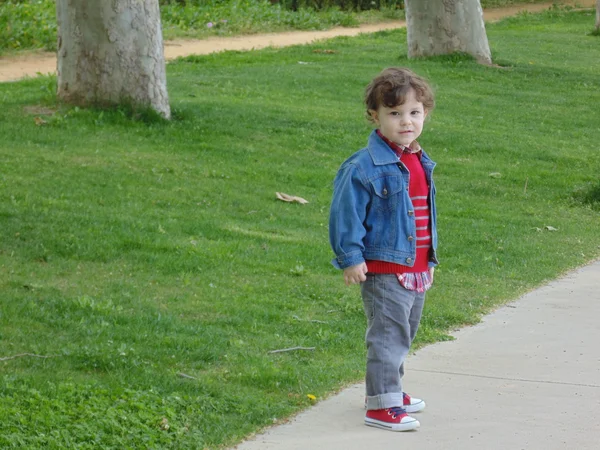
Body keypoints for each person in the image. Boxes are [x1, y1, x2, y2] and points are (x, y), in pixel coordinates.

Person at [329, 67, 438, 432]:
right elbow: (345, 214)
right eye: (394, 113)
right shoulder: (364, 166)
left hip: (415, 267)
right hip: (384, 268)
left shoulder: (417, 159)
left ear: (425, 114)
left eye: (414, 112)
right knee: (388, 336)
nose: (406, 121)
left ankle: (390, 390)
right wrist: (351, 257)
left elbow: (422, 215)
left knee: (403, 333)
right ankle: (380, 405)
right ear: (375, 116)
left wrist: (429, 260)